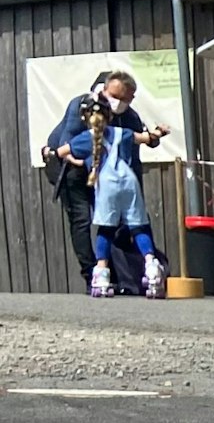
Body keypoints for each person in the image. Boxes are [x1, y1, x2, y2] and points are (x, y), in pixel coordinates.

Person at [41, 71, 159, 288]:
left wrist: (133, 195)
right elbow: (70, 147)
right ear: (104, 90)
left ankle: (118, 273)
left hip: (104, 170)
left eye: (127, 98)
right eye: (116, 96)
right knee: (82, 219)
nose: (120, 102)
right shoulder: (81, 106)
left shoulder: (130, 117)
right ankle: (92, 275)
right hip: (71, 164)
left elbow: (132, 158)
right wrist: (97, 172)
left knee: (113, 219)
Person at [59, 101, 169, 298]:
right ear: (110, 116)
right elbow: (147, 137)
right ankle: (152, 266)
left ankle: (101, 274)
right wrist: (159, 132)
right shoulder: (123, 133)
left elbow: (61, 153)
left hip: (106, 184)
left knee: (106, 228)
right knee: (138, 226)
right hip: (129, 182)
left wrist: (48, 153)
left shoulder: (85, 138)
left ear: (85, 119)